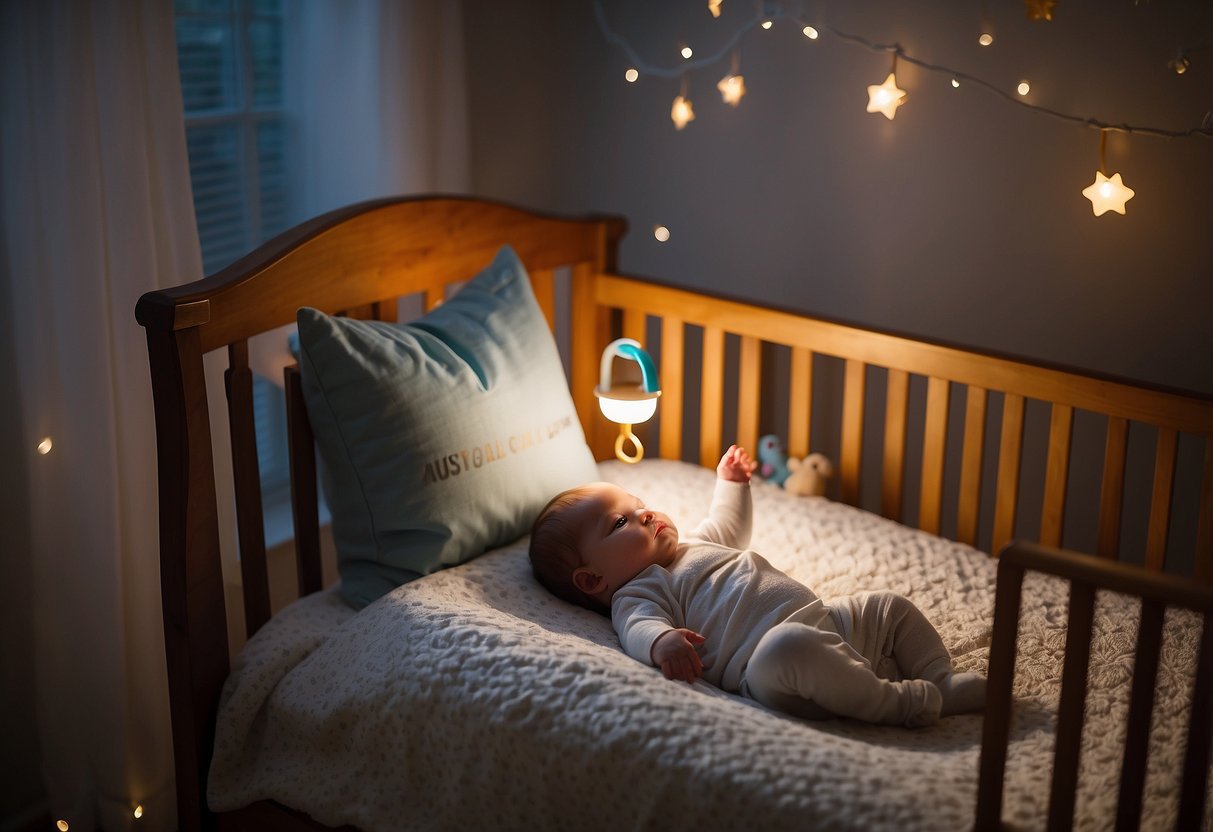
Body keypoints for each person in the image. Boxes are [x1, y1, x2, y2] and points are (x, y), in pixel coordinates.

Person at [528, 444, 986, 728]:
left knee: (888, 606)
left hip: (828, 621)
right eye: (621, 522)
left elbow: (729, 527)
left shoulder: (692, 544)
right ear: (593, 579)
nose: (646, 514)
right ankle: (906, 704)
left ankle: (938, 676)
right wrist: (663, 642)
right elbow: (637, 627)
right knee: (788, 646)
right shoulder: (640, 591)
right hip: (768, 669)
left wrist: (730, 485)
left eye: (640, 504)